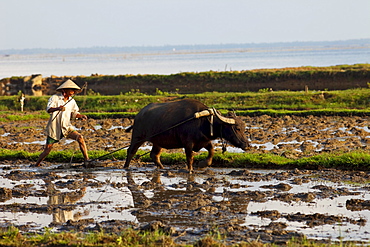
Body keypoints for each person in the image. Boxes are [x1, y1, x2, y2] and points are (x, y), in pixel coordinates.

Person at [35, 79, 89, 167]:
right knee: (47, 150)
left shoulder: (71, 101)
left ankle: (87, 160)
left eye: (74, 90)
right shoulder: (55, 98)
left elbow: (74, 113)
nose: (73, 92)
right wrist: (57, 108)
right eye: (71, 90)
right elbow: (49, 109)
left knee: (80, 138)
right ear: (64, 90)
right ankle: (37, 164)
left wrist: (81, 116)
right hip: (55, 128)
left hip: (66, 127)